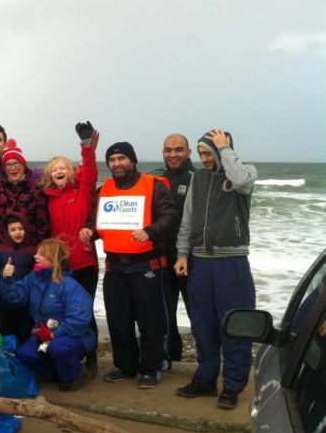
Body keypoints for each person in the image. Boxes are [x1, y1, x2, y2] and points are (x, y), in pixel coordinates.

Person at [80, 141, 177, 389]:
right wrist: (89, 231)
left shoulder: (152, 185)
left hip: (146, 265)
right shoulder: (104, 190)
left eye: (122, 158)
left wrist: (150, 231)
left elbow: (170, 216)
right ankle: (125, 365)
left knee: (150, 320)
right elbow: (95, 222)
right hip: (115, 267)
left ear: (132, 160)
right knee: (118, 320)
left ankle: (151, 367)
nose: (116, 164)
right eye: (112, 160)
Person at [174, 129, 257, 410]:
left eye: (208, 152)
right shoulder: (198, 178)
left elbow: (242, 182)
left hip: (231, 263)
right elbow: (187, 220)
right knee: (203, 327)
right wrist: (182, 254)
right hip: (200, 264)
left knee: (234, 327)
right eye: (201, 154)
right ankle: (205, 380)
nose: (204, 159)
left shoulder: (243, 173)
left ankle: (232, 387)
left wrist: (224, 149)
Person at [41, 121, 99, 375]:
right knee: (64, 312)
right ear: (50, 175)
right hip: (60, 266)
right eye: (55, 169)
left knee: (84, 310)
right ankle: (70, 355)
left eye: (64, 167)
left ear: (71, 171)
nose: (59, 171)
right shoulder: (48, 198)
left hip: (84, 262)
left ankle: (93, 355)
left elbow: (91, 174)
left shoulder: (82, 191)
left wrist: (87, 146)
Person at [0, 238, 95, 392]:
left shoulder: (69, 285)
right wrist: (6, 278)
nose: (35, 256)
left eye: (40, 254)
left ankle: (75, 375)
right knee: (24, 353)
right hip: (43, 335)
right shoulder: (34, 278)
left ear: (52, 258)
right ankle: (57, 373)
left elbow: (80, 319)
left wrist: (54, 334)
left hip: (76, 337)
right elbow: (15, 297)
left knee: (58, 348)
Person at [0, 138, 50, 292]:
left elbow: (43, 223)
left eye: (16, 164)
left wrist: (40, 249)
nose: (13, 168)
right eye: (8, 165)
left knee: (28, 288)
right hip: (0, 244)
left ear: (23, 166)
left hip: (27, 247)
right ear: (4, 168)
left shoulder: (35, 190)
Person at [150, 133, 197, 366]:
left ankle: (206, 362)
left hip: (192, 257)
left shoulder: (199, 178)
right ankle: (169, 357)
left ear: (189, 153)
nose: (173, 154)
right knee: (164, 313)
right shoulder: (154, 179)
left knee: (197, 313)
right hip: (161, 256)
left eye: (178, 150)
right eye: (168, 150)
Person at [0, 213, 37, 342]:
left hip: (27, 307)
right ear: (7, 232)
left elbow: (37, 277)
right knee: (7, 341)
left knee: (25, 340)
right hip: (5, 306)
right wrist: (3, 275)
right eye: (13, 230)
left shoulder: (33, 251)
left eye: (21, 228)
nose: (17, 232)